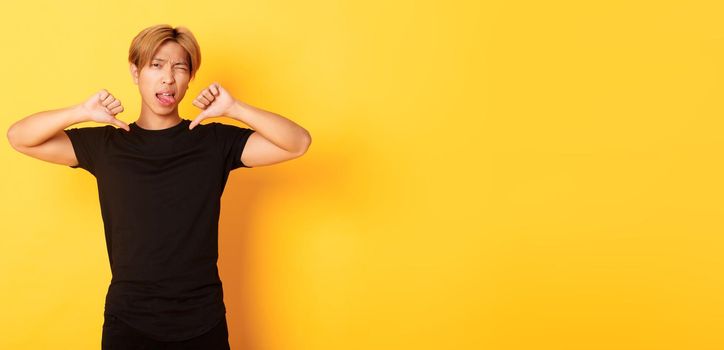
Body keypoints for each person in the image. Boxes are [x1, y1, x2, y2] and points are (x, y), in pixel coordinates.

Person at [6, 24, 312, 349]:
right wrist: (80, 112)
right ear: (135, 72)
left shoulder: (212, 141)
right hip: (128, 321)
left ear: (189, 78)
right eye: (156, 65)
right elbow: (19, 137)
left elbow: (297, 143)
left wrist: (235, 108)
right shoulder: (108, 145)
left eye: (179, 67)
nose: (168, 77)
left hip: (202, 320)